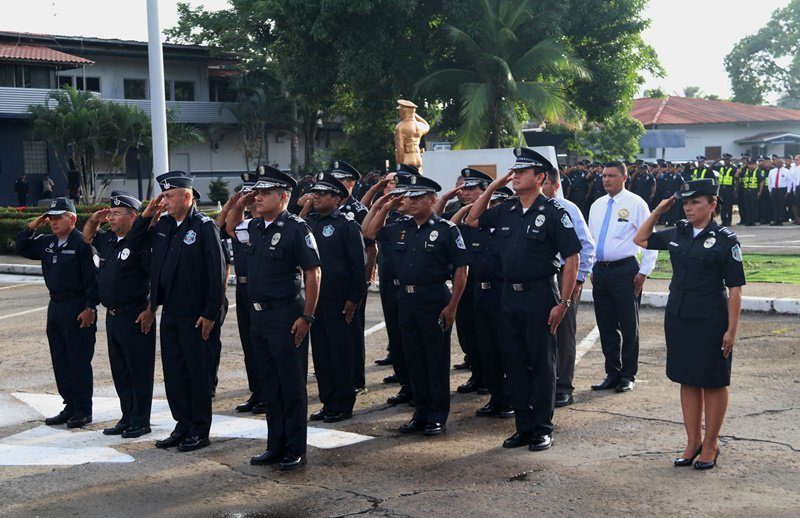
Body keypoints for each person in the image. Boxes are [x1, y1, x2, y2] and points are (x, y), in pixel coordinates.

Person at [465, 147, 581, 452]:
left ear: (540, 177)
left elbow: (572, 258)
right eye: (514, 171)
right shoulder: (507, 209)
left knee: (542, 364)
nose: (514, 176)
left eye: (522, 171)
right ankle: (523, 427)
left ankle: (542, 428)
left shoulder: (554, 212)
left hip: (540, 294)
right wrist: (493, 186)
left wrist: (564, 303)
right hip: (508, 295)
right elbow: (473, 219)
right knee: (514, 362)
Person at [633, 178, 744, 470]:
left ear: (712, 204)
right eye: (685, 203)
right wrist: (658, 211)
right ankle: (693, 441)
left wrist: (731, 330)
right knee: (688, 378)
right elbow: (640, 239)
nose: (689, 207)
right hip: (679, 317)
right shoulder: (679, 232)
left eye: (695, 202)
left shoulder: (725, 239)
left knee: (714, 381)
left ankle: (711, 444)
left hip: (711, 319)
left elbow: (735, 290)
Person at [226, 165, 321, 471]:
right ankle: (275, 445)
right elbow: (231, 227)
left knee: (291, 385)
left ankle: (295, 448)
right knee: (269, 385)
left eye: (265, 193)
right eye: (257, 193)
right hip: (259, 318)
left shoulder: (296, 228)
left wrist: (307, 316)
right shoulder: (255, 227)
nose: (258, 197)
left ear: (282, 197)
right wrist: (240, 203)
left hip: (286, 315)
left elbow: (313, 273)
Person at [365, 174, 470, 437]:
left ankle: (437, 416)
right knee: (414, 359)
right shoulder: (401, 227)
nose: (410, 202)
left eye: (417, 198)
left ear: (432, 201)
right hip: (406, 299)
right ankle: (420, 413)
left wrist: (453, 306)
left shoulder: (446, 229)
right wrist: (387, 206)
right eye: (408, 198)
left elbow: (461, 270)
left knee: (435, 360)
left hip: (434, 299)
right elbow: (370, 232)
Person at [143, 171, 226, 453]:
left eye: (169, 196)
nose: (164, 201)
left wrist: (211, 313)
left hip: (196, 314)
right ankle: (182, 424)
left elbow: (217, 272)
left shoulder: (204, 226)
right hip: (170, 312)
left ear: (187, 196)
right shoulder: (164, 225)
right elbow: (144, 251)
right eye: (163, 195)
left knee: (197, 373)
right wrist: (152, 305)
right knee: (175, 372)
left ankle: (200, 429)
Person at [16, 197, 98, 428]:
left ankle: (83, 410)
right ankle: (70, 405)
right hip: (55, 306)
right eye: (50, 218)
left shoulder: (83, 242)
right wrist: (32, 226)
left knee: (78, 359)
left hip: (77, 306)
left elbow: (94, 278)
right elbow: (21, 246)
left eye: (58, 217)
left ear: (72, 219)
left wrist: (90, 307)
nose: (52, 222)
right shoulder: (47, 242)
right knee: (60, 359)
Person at [83, 191, 155, 438]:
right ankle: (127, 417)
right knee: (121, 371)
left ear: (132, 217)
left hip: (135, 315)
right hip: (113, 316)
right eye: (110, 213)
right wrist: (94, 219)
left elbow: (155, 280)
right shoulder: (109, 240)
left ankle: (141, 421)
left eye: (116, 214)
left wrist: (150, 310)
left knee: (138, 370)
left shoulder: (142, 242)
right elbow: (87, 237)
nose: (110, 218)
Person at [587, 161, 657, 393]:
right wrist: (591, 268)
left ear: (624, 178)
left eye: (612, 176)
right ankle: (612, 373)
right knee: (606, 325)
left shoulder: (636, 203)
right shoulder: (597, 205)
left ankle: (628, 375)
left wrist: (644, 271)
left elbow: (650, 239)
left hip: (625, 271)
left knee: (628, 326)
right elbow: (590, 240)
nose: (606, 180)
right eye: (604, 176)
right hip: (601, 271)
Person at [303, 172, 367, 423]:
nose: (316, 197)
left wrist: (354, 299)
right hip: (316, 300)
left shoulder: (346, 225)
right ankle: (328, 401)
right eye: (315, 192)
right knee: (322, 354)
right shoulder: (310, 223)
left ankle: (343, 403)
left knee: (341, 353)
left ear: (337, 198)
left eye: (322, 193)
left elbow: (358, 266)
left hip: (339, 301)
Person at [451, 181, 515, 419]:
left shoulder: (509, 232)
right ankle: (495, 398)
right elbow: (452, 227)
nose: (493, 209)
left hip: (502, 293)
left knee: (505, 348)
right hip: (480, 293)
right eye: (490, 204)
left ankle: (509, 398)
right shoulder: (474, 230)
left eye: (498, 204)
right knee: (486, 347)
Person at [541, 169, 596, 407]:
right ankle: (544, 383)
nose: (541, 187)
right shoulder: (526, 209)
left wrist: (578, 279)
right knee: (539, 332)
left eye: (545, 183)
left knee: (564, 333)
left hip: (565, 274)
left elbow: (586, 246)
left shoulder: (568, 209)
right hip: (539, 277)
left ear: (555, 186)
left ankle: (563, 386)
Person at [361, 171, 414, 404]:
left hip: (410, 288)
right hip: (390, 285)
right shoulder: (391, 218)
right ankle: (405, 383)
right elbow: (367, 231)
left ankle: (418, 388)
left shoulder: (417, 222)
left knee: (412, 341)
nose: (398, 197)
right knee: (396, 336)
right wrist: (381, 205)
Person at [436, 169, 487, 394]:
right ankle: (476, 373)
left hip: (484, 281)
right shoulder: (457, 211)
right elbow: (442, 222)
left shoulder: (491, 212)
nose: (465, 193)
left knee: (485, 332)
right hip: (463, 281)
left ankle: (489, 378)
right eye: (464, 189)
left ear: (484, 191)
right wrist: (450, 200)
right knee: (467, 331)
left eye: (471, 189)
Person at [219, 173, 265, 414]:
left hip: (263, 290)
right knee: (249, 344)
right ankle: (256, 391)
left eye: (254, 193)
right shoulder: (244, 223)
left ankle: (268, 393)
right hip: (243, 288)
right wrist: (236, 204)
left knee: (264, 346)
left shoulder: (268, 224)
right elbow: (225, 227)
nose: (250, 198)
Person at [330, 159, 375, 396]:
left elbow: (370, 248)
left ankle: (357, 378)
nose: (335, 184)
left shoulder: (359, 211)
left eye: (340, 181)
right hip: (333, 283)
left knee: (353, 329)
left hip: (353, 279)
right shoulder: (326, 210)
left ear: (351, 183)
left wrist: (366, 279)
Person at [394, 99, 430, 172]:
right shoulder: (420, 126)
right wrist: (413, 114)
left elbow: (400, 148)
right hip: (418, 158)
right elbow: (427, 125)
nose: (399, 113)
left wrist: (400, 165)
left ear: (404, 112)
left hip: (406, 159)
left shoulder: (400, 127)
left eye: (400, 111)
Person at [767, 158, 791, 225]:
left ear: (782, 163)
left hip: (782, 190)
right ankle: (775, 220)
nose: (778, 164)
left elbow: (789, 182)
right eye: (777, 163)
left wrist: (788, 191)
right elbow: (769, 181)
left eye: (780, 163)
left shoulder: (786, 171)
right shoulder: (772, 171)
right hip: (774, 190)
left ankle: (781, 220)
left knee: (782, 205)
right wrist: (770, 190)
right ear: (775, 163)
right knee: (775, 205)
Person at [717, 154, 737, 226]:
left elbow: (736, 178)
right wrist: (717, 161)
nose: (725, 161)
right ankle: (723, 221)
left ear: (730, 160)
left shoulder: (733, 168)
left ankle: (728, 221)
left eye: (727, 159)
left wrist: (735, 188)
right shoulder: (721, 167)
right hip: (722, 189)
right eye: (724, 159)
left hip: (729, 188)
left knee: (728, 206)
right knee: (722, 206)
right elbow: (711, 168)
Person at [740, 161, 760, 226]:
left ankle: (753, 221)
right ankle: (748, 221)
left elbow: (761, 182)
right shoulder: (745, 171)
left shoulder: (757, 171)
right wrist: (741, 168)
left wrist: (759, 192)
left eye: (752, 164)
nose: (750, 166)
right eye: (749, 164)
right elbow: (736, 175)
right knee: (747, 206)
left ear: (755, 165)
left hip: (754, 191)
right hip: (746, 191)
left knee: (753, 206)